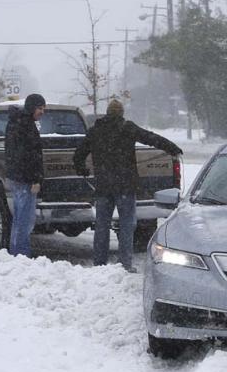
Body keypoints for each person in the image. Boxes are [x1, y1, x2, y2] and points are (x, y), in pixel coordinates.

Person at [73, 99, 183, 271]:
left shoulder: (96, 130)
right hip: (125, 186)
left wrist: (82, 170)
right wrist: (172, 148)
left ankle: (99, 264)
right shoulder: (127, 128)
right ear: (121, 113)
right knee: (126, 226)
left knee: (102, 226)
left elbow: (79, 154)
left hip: (103, 187)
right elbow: (150, 138)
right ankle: (125, 264)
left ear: (107, 113)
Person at [4, 93, 46, 257]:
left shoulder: (16, 122)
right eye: (40, 108)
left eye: (43, 108)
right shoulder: (26, 126)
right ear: (31, 108)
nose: (42, 112)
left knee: (19, 217)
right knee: (25, 219)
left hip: (17, 176)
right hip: (25, 179)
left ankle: (17, 251)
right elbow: (29, 155)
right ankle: (21, 253)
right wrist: (35, 179)